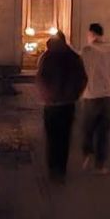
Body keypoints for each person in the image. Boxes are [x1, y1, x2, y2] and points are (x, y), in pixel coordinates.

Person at [36, 33, 87, 183]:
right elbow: (83, 78)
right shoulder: (74, 57)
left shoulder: (47, 57)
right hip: (67, 104)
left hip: (51, 104)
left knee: (52, 138)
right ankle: (61, 170)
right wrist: (75, 95)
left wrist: (45, 95)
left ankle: (53, 170)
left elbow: (41, 78)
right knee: (64, 138)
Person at [78, 23, 110, 173]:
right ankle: (100, 165)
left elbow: (79, 75)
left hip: (90, 96)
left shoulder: (86, 51)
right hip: (107, 97)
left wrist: (78, 93)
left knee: (87, 129)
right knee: (103, 133)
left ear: (91, 34)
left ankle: (87, 153)